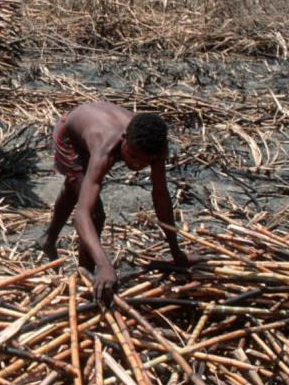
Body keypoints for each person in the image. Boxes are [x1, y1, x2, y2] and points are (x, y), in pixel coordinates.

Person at [38, 102, 194, 304]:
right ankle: (88, 275)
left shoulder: (156, 147)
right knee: (95, 214)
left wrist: (177, 253)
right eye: (132, 156)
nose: (136, 165)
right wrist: (104, 265)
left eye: (143, 162)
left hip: (91, 127)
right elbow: (82, 215)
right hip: (69, 135)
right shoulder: (106, 148)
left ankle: (48, 239)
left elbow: (161, 197)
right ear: (124, 139)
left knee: (79, 187)